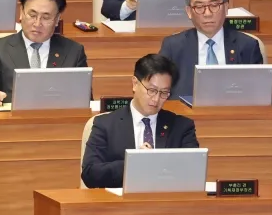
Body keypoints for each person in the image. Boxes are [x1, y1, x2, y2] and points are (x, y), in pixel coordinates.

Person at [81, 53, 199, 189]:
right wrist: (134, 163)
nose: (156, 99)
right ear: (135, 84)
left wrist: (156, 162)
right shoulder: (106, 124)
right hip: (120, 205)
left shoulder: (182, 127)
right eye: (152, 90)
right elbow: (90, 174)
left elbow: (193, 171)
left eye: (164, 93)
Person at [0, 0, 88, 106]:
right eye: (32, 15)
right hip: (11, 121)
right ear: (21, 13)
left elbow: (84, 97)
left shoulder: (74, 51)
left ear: (57, 20)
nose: (37, 23)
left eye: (45, 17)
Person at [159, 0, 263, 100]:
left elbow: (261, 94)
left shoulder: (248, 46)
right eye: (199, 7)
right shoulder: (173, 47)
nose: (207, 14)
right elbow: (159, 92)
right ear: (188, 12)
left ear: (225, 8)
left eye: (214, 5)